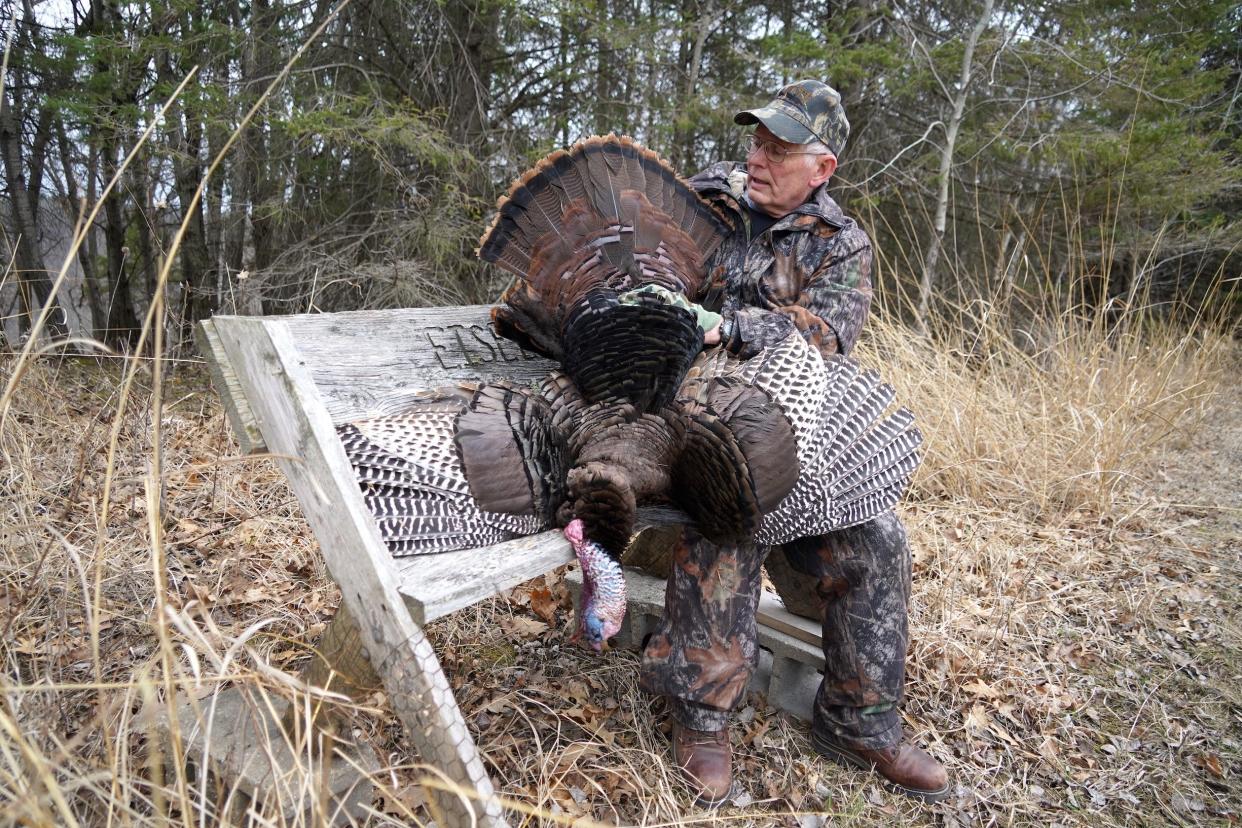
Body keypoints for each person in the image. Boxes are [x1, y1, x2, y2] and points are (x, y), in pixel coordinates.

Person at [636, 80, 950, 806]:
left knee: (876, 538)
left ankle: (859, 721)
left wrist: (737, 328)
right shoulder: (701, 202)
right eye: (756, 141)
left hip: (787, 442)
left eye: (779, 148)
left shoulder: (839, 245)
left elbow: (826, 337)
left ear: (823, 168)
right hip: (672, 431)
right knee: (728, 504)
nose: (759, 157)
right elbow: (642, 275)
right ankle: (702, 718)